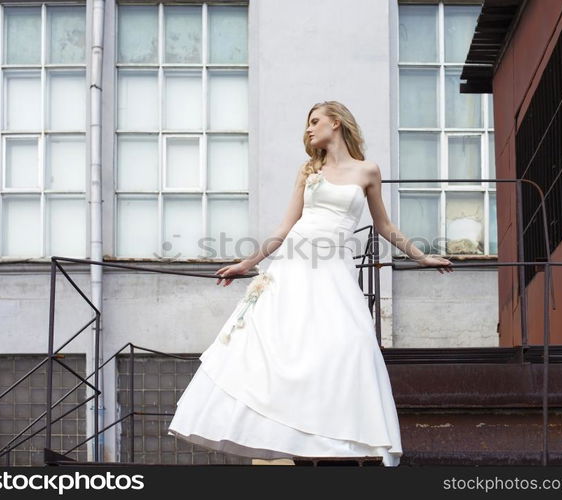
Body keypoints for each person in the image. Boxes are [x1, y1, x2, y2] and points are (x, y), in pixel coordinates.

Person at [167, 100, 453, 467]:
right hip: (295, 264)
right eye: (307, 123)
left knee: (351, 343)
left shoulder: (368, 171)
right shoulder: (308, 171)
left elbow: (385, 227)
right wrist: (247, 263)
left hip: (334, 268)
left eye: (315, 121)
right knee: (281, 345)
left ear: (336, 122)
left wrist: (421, 256)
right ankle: (285, 430)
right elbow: (284, 228)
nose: (309, 129)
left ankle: (340, 433)